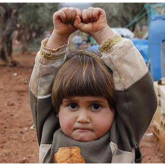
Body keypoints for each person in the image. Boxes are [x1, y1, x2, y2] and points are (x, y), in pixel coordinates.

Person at [29, 7, 157, 163]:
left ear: (115, 109)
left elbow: (138, 85)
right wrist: (59, 36)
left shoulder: (123, 135)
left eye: (96, 106)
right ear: (57, 110)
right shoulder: (49, 134)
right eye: (73, 106)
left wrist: (102, 32)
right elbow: (42, 84)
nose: (83, 118)